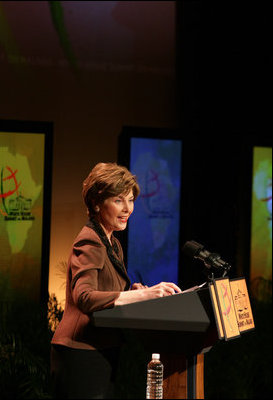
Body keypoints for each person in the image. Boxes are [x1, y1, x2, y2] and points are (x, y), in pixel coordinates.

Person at [50, 162, 181, 399]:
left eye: (130, 200)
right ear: (97, 203)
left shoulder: (113, 243)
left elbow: (105, 291)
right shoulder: (89, 241)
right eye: (119, 200)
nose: (128, 209)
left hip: (102, 348)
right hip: (81, 351)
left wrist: (131, 290)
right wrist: (143, 295)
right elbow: (85, 297)